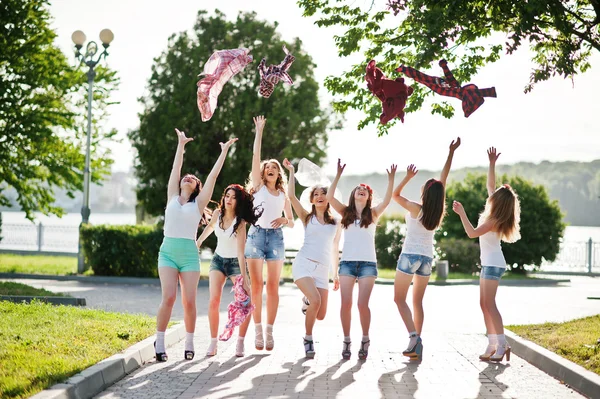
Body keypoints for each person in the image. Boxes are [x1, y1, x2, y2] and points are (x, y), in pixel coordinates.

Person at [154, 128, 237, 362]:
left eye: (193, 178)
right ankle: (159, 342)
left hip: (189, 255)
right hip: (168, 253)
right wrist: (181, 145)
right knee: (168, 298)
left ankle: (189, 342)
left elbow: (212, 177)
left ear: (197, 187)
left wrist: (224, 152)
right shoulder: (172, 196)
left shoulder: (198, 204)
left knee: (189, 301)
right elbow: (175, 169)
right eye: (185, 177)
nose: (187, 177)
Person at [392, 138, 461, 360]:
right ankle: (416, 344)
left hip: (410, 255)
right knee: (417, 302)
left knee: (399, 299)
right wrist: (450, 153)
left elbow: (395, 196)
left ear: (425, 192)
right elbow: (444, 179)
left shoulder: (416, 208)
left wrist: (406, 178)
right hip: (427, 258)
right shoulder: (437, 211)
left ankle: (414, 338)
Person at [452, 147, 521, 362]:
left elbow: (472, 233)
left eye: (495, 196)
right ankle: (493, 343)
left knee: (490, 304)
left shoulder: (493, 221)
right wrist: (492, 163)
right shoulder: (495, 213)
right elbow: (490, 185)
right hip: (489, 263)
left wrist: (462, 213)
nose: (491, 195)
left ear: (497, 202)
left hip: (493, 264)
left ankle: (502, 344)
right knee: (484, 304)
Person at [327, 158, 397, 360]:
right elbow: (330, 196)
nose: (361, 191)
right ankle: (347, 340)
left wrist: (391, 178)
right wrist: (338, 174)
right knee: (345, 304)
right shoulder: (345, 213)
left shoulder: (373, 214)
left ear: (368, 197)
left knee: (361, 305)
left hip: (368, 265)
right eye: (358, 189)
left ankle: (365, 339)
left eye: (364, 190)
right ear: (354, 195)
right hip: (347, 264)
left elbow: (387, 200)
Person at [283, 158, 341, 358]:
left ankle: (307, 301)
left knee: (321, 314)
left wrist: (336, 274)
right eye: (315, 194)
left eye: (323, 194)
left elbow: (335, 248)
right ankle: (308, 339)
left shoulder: (336, 223)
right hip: (304, 265)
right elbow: (290, 195)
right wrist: (291, 171)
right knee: (316, 300)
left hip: (323, 270)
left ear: (328, 198)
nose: (319, 196)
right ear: (312, 199)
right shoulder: (307, 218)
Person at [246, 115, 295, 351]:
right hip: (255, 236)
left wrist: (285, 218)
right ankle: (257, 332)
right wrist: (259, 132)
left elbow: (293, 222)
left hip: (275, 238)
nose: (272, 170)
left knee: (273, 287)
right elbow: (256, 157)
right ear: (264, 174)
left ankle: (269, 331)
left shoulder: (283, 195)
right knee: (257, 286)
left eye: (275, 168)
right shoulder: (257, 188)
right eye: (269, 168)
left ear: (279, 174)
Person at [196, 184, 262, 357]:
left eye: (233, 197)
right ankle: (213, 343)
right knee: (213, 301)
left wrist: (245, 279)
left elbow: (241, 253)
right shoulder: (217, 214)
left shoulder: (240, 223)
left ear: (238, 201)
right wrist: (199, 241)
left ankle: (240, 342)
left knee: (245, 302)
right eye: (227, 196)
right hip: (218, 260)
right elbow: (210, 226)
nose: (228, 200)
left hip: (234, 263)